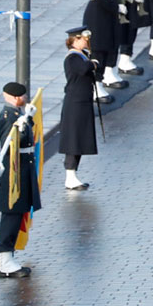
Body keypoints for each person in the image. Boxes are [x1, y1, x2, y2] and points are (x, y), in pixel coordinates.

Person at [0, 82, 38, 276]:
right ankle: (4, 257)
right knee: (12, 213)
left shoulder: (17, 114)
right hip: (14, 170)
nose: (25, 98)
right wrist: (19, 131)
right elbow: (7, 145)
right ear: (14, 97)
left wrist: (29, 119)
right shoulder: (8, 116)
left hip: (23, 167)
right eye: (22, 96)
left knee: (19, 211)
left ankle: (9, 255)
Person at [81, 0, 124, 102]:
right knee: (98, 49)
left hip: (106, 13)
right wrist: (115, 7)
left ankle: (102, 79)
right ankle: (95, 85)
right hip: (98, 14)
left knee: (108, 45)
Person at [58, 28, 99, 191]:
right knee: (73, 140)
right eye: (83, 39)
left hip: (82, 102)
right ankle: (70, 176)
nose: (86, 42)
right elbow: (84, 69)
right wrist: (93, 64)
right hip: (75, 103)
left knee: (80, 138)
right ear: (74, 40)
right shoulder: (73, 57)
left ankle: (73, 174)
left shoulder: (82, 55)